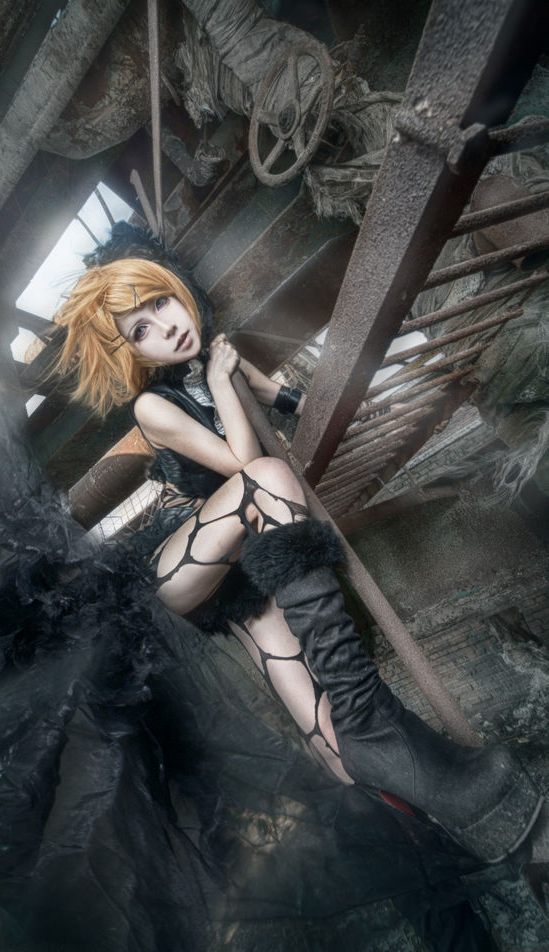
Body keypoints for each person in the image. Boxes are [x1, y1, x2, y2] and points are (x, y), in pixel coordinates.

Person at [54, 243, 546, 869]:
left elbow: (288, 400)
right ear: (133, 354)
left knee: (320, 722)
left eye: (160, 302)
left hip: (242, 570)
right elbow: (242, 464)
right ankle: (374, 716)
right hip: (182, 563)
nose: (166, 325)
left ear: (179, 291)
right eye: (141, 329)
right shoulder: (153, 405)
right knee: (266, 477)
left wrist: (368, 406)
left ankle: (422, 853)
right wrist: (221, 380)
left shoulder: (218, 357)